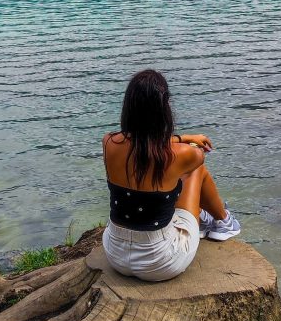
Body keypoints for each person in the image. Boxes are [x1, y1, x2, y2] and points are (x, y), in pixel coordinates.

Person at [102, 69, 240, 282]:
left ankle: (205, 220)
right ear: (163, 108)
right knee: (196, 171)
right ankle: (223, 221)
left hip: (116, 254)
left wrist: (181, 137)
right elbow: (194, 155)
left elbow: (142, 145)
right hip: (160, 261)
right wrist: (186, 140)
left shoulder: (109, 142)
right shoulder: (185, 155)